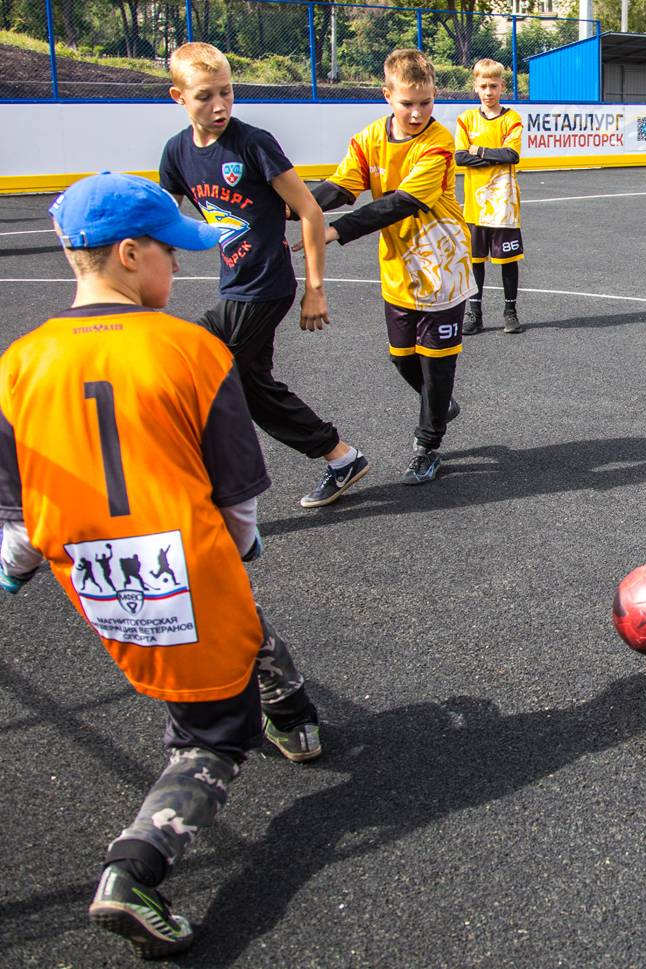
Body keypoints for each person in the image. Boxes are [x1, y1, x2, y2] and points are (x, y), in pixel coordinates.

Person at [0, 173, 322, 958]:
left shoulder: (19, 362)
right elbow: (238, 495)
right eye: (172, 256)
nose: (179, 271)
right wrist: (240, 544)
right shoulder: (191, 348)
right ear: (129, 253)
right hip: (186, 558)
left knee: (229, 631)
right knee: (211, 732)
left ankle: (289, 705)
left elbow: (15, 512)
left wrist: (13, 568)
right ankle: (136, 868)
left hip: (96, 575)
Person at [160, 42, 368, 509]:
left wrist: (315, 290)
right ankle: (342, 458)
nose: (219, 106)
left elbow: (311, 212)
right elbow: (166, 219)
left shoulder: (253, 143)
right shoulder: (176, 153)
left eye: (227, 93)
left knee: (199, 372)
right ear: (178, 96)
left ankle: (205, 488)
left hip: (265, 286)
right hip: (232, 284)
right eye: (205, 96)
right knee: (254, 388)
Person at [306, 48, 474, 485]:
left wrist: (335, 232)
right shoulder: (368, 139)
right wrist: (292, 207)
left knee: (437, 363)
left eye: (426, 102)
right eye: (407, 103)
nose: (417, 113)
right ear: (387, 95)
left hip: (442, 266)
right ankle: (439, 405)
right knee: (402, 359)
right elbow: (341, 187)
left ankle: (427, 444)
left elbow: (403, 202)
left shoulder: (439, 141)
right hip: (399, 267)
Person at [455, 58, 527, 335]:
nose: (489, 91)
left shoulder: (512, 118)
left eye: (494, 86)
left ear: (502, 86)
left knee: (508, 261)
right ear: (476, 86)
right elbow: (460, 157)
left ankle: (510, 311)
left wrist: (479, 151)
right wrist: (489, 155)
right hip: (475, 205)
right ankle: (475, 314)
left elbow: (512, 155)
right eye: (483, 86)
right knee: (475, 261)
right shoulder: (466, 119)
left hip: (504, 207)